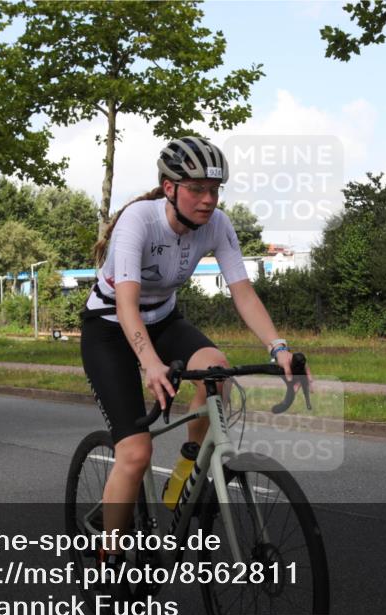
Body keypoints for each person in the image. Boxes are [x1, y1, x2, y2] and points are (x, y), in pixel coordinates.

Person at [81, 137, 309, 575]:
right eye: (197, 189)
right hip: (109, 327)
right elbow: (126, 304)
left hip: (164, 319)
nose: (208, 200)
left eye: (215, 190)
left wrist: (278, 347)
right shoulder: (138, 221)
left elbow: (242, 292)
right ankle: (107, 561)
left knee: (216, 368)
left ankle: (186, 467)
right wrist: (149, 364)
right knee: (134, 452)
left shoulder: (217, 224)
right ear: (169, 187)